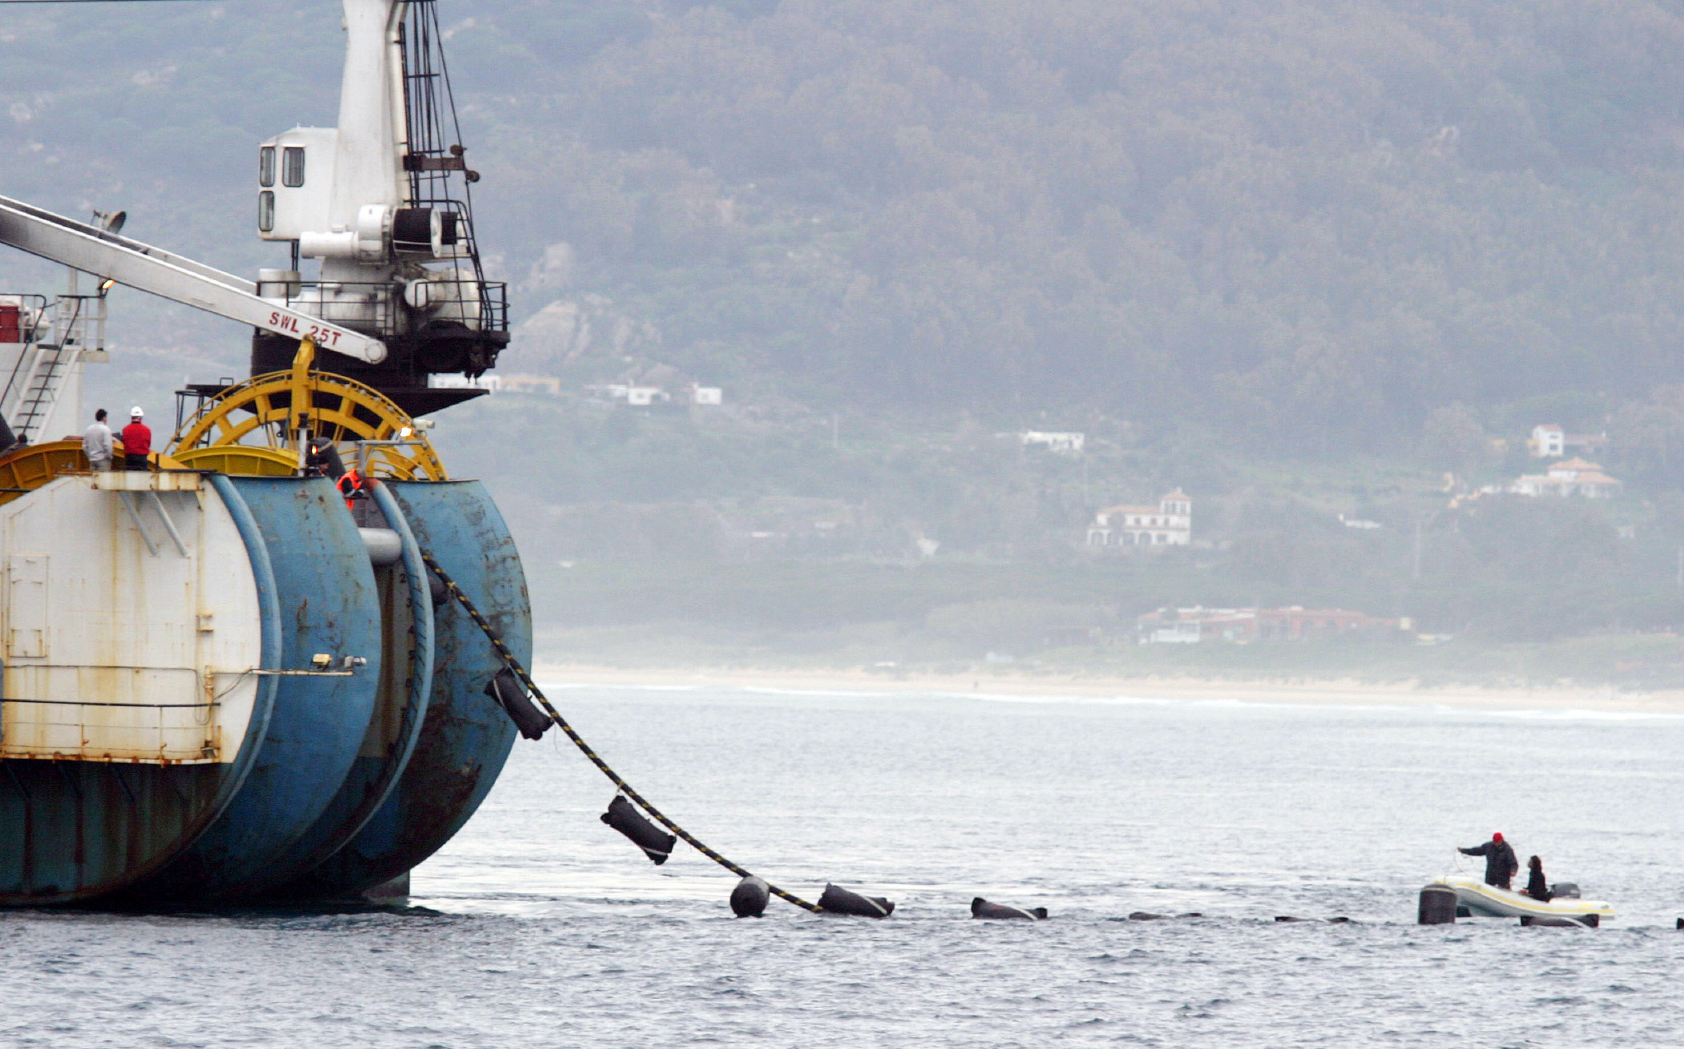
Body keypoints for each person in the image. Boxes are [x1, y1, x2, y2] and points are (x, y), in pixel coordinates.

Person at [120, 406, 151, 471]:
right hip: (142, 459)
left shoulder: (125, 429)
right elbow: (148, 444)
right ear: (141, 417)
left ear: (131, 417)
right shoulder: (147, 430)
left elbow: (124, 443)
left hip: (130, 459)